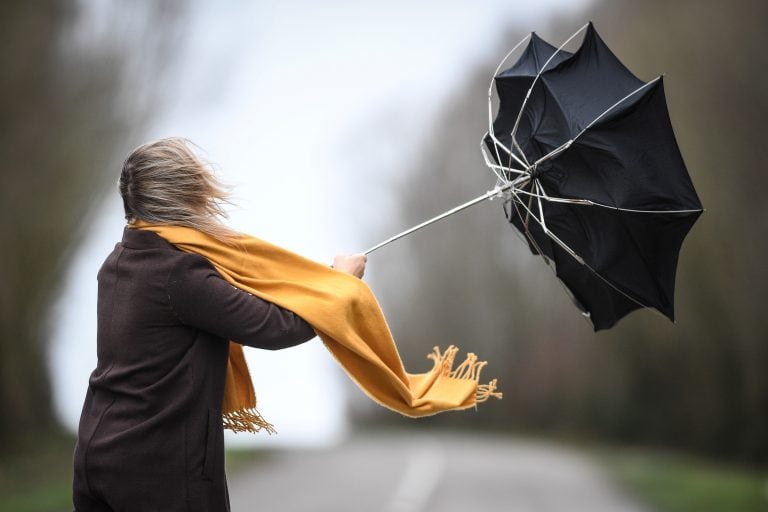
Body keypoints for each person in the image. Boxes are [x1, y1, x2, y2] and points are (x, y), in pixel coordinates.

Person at [72, 138, 367, 512]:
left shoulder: (117, 263)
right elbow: (276, 327)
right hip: (157, 471)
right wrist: (342, 285)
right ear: (186, 198)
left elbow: (234, 305)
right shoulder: (179, 273)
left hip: (96, 456)